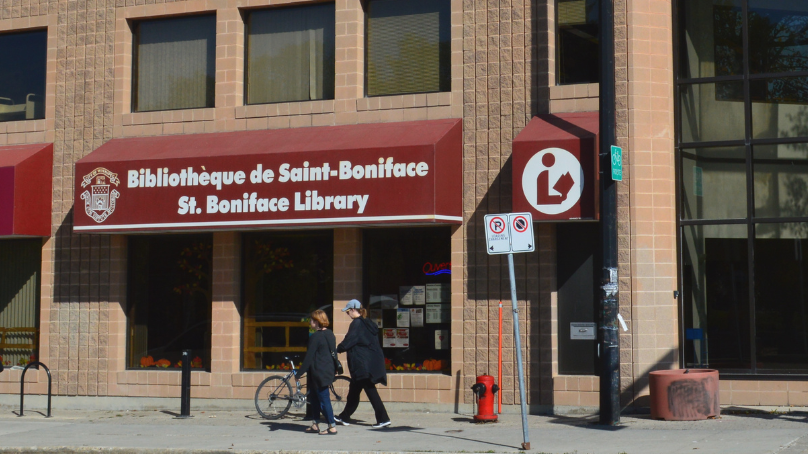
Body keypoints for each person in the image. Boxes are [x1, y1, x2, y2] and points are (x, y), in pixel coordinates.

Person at [334, 299, 391, 428]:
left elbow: (350, 340)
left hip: (361, 365)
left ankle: (383, 418)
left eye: (348, 311)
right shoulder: (368, 323)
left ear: (354, 310)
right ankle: (344, 417)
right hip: (368, 363)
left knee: (371, 391)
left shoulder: (357, 324)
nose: (348, 314)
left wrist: (337, 349)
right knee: (353, 392)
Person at [296, 309, 338, 435]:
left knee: (324, 399)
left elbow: (309, 357)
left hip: (318, 372)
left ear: (317, 321)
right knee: (314, 398)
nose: (310, 322)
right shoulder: (330, 334)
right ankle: (315, 423)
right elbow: (333, 353)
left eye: (312, 320)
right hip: (326, 370)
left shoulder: (315, 337)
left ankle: (332, 426)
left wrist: (299, 374)